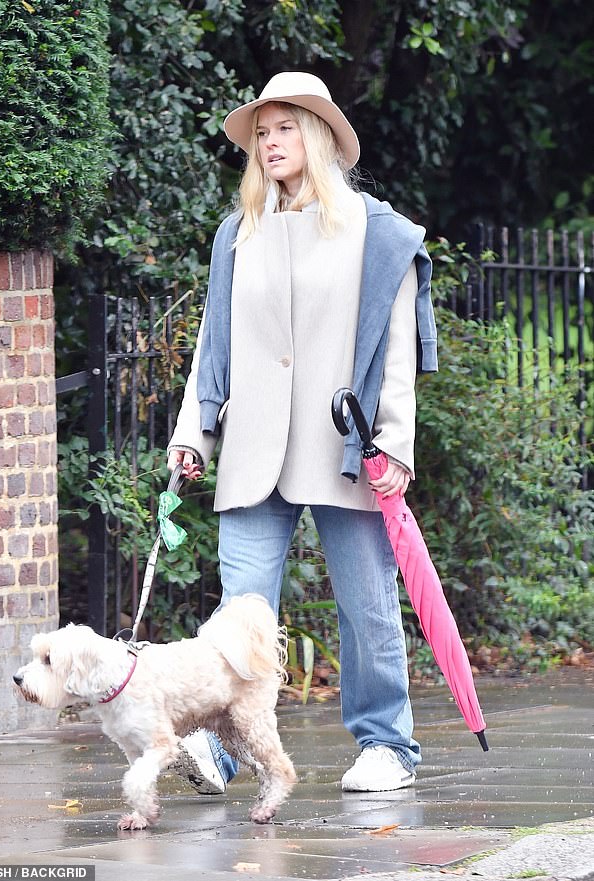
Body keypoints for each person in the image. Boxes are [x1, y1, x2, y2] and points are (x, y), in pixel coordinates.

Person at [167, 71, 438, 795]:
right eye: (261, 131)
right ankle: (221, 752)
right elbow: (211, 344)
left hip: (345, 450)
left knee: (367, 603)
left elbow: (399, 352)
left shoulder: (374, 233)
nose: (269, 142)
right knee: (237, 616)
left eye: (284, 128)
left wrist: (396, 445)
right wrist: (193, 432)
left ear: (316, 136)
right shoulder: (238, 235)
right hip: (253, 447)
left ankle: (387, 745)